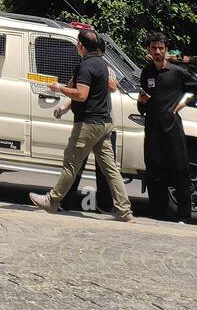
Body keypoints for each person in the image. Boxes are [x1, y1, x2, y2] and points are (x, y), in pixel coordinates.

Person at [29, 28, 134, 222]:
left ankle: (52, 201)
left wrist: (59, 88)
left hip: (88, 123)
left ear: (81, 45)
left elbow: (82, 95)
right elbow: (92, 93)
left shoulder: (85, 66)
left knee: (71, 163)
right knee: (110, 169)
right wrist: (65, 105)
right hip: (104, 123)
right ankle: (125, 211)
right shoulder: (102, 65)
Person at [138, 32, 197, 223]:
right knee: (154, 171)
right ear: (149, 49)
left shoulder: (177, 72)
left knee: (180, 170)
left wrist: (184, 104)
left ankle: (184, 215)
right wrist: (141, 101)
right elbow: (143, 105)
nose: (158, 51)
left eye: (161, 48)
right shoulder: (146, 72)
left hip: (172, 128)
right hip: (152, 129)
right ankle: (157, 212)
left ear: (166, 50)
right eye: (154, 48)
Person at [58, 33, 117, 213]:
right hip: (92, 121)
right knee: (76, 165)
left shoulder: (102, 67)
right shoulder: (85, 67)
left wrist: (96, 76)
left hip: (97, 122)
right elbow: (79, 92)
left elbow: (112, 87)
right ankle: (63, 201)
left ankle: (107, 205)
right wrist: (66, 105)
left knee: (104, 170)